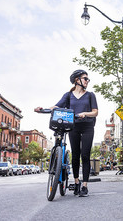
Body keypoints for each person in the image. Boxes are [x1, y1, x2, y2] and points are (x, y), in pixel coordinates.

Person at [35, 69, 98, 197]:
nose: (87, 81)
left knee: (85, 155)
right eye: (85, 79)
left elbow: (95, 112)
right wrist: (43, 109)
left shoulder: (90, 95)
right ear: (77, 80)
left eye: (87, 79)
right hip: (73, 126)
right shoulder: (68, 95)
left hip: (87, 126)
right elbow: (57, 106)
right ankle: (76, 183)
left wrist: (85, 114)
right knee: (75, 155)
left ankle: (84, 185)